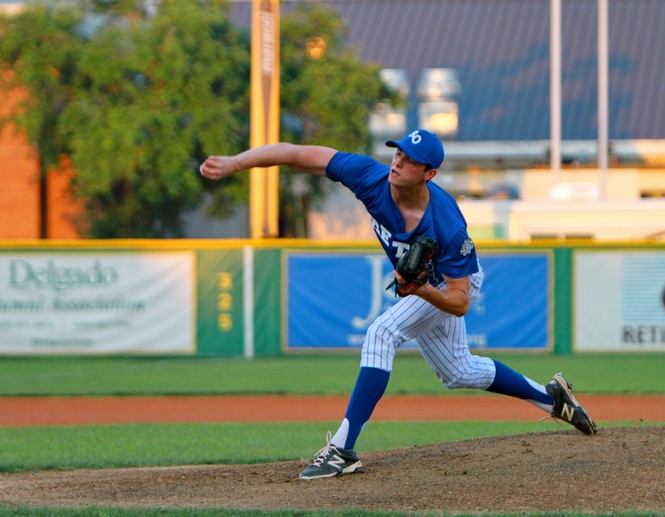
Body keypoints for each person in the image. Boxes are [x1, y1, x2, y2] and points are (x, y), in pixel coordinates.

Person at [200, 128, 596, 481]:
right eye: (399, 152)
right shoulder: (369, 176)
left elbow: (460, 301)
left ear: (429, 174)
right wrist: (235, 163)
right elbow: (295, 153)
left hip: (451, 284)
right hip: (427, 284)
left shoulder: (447, 226)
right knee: (458, 370)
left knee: (381, 333)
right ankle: (552, 397)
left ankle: (342, 450)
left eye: (410, 160)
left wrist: (419, 288)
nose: (399, 162)